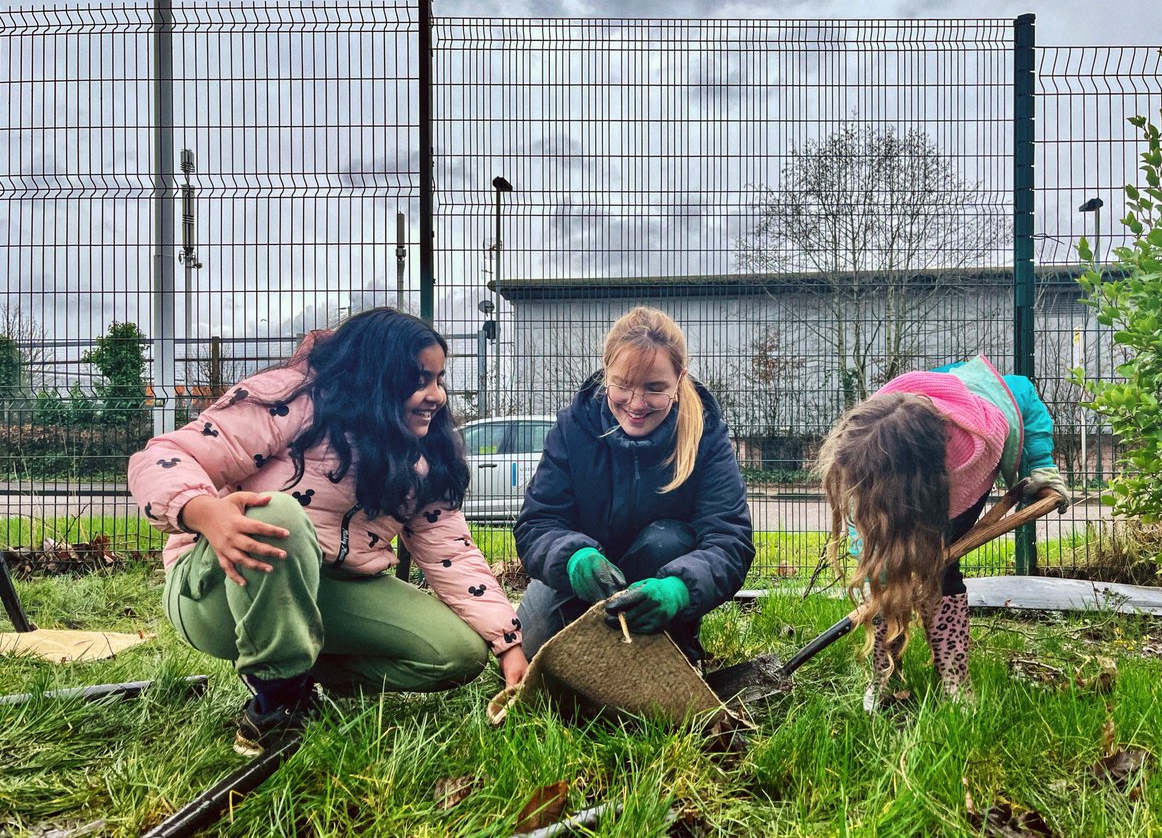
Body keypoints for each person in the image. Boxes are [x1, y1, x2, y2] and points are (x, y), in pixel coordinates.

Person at [129, 309, 527, 756]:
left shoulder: (423, 453)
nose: (436, 395)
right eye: (419, 380)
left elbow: (449, 552)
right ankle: (275, 702)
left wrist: (509, 643)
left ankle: (300, 674)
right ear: (375, 378)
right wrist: (204, 512)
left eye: (438, 379)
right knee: (277, 514)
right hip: (219, 590)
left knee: (456, 653)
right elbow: (162, 455)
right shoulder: (290, 403)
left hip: (330, 589)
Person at [817, 354, 1070, 712]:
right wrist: (879, 569)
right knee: (883, 575)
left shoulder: (986, 426)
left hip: (945, 469)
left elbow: (1023, 395)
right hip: (905, 459)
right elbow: (869, 532)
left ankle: (953, 674)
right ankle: (884, 675)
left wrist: (1040, 463)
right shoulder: (868, 439)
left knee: (943, 568)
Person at [514, 306, 755, 665]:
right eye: (622, 386)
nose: (636, 404)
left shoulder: (706, 436)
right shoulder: (573, 428)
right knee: (536, 645)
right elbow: (537, 524)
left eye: (655, 388)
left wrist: (678, 591)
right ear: (606, 376)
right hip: (582, 579)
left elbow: (729, 540)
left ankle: (669, 640)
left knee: (667, 539)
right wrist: (575, 560)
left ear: (679, 380)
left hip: (659, 574)